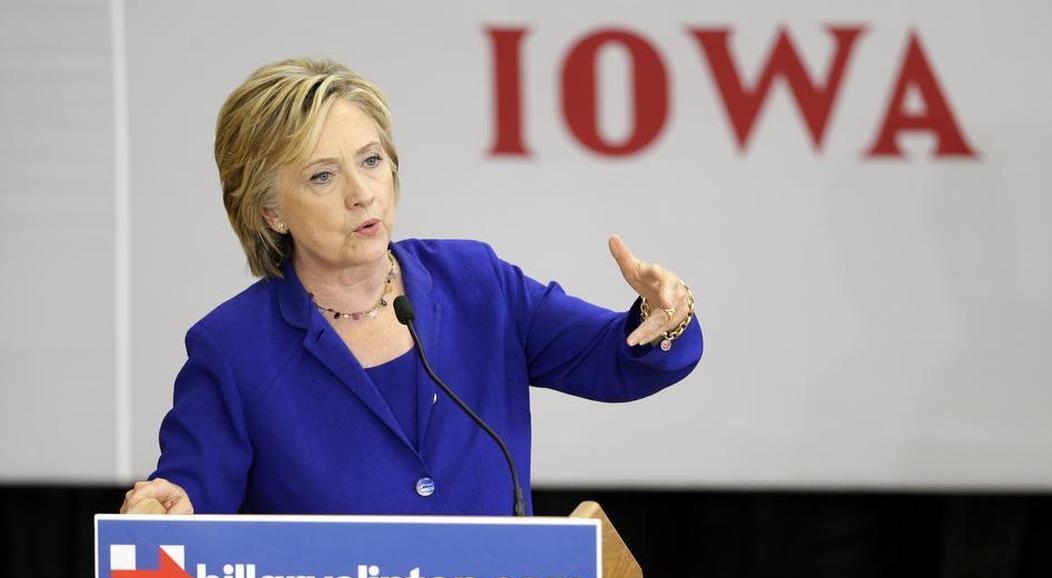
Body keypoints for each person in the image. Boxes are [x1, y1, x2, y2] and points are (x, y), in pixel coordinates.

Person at [120, 57, 701, 516]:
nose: (361, 193)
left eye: (371, 161)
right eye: (323, 175)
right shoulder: (235, 347)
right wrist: (170, 504)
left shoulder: (476, 284)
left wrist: (663, 315)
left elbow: (618, 358)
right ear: (271, 211)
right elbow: (191, 493)